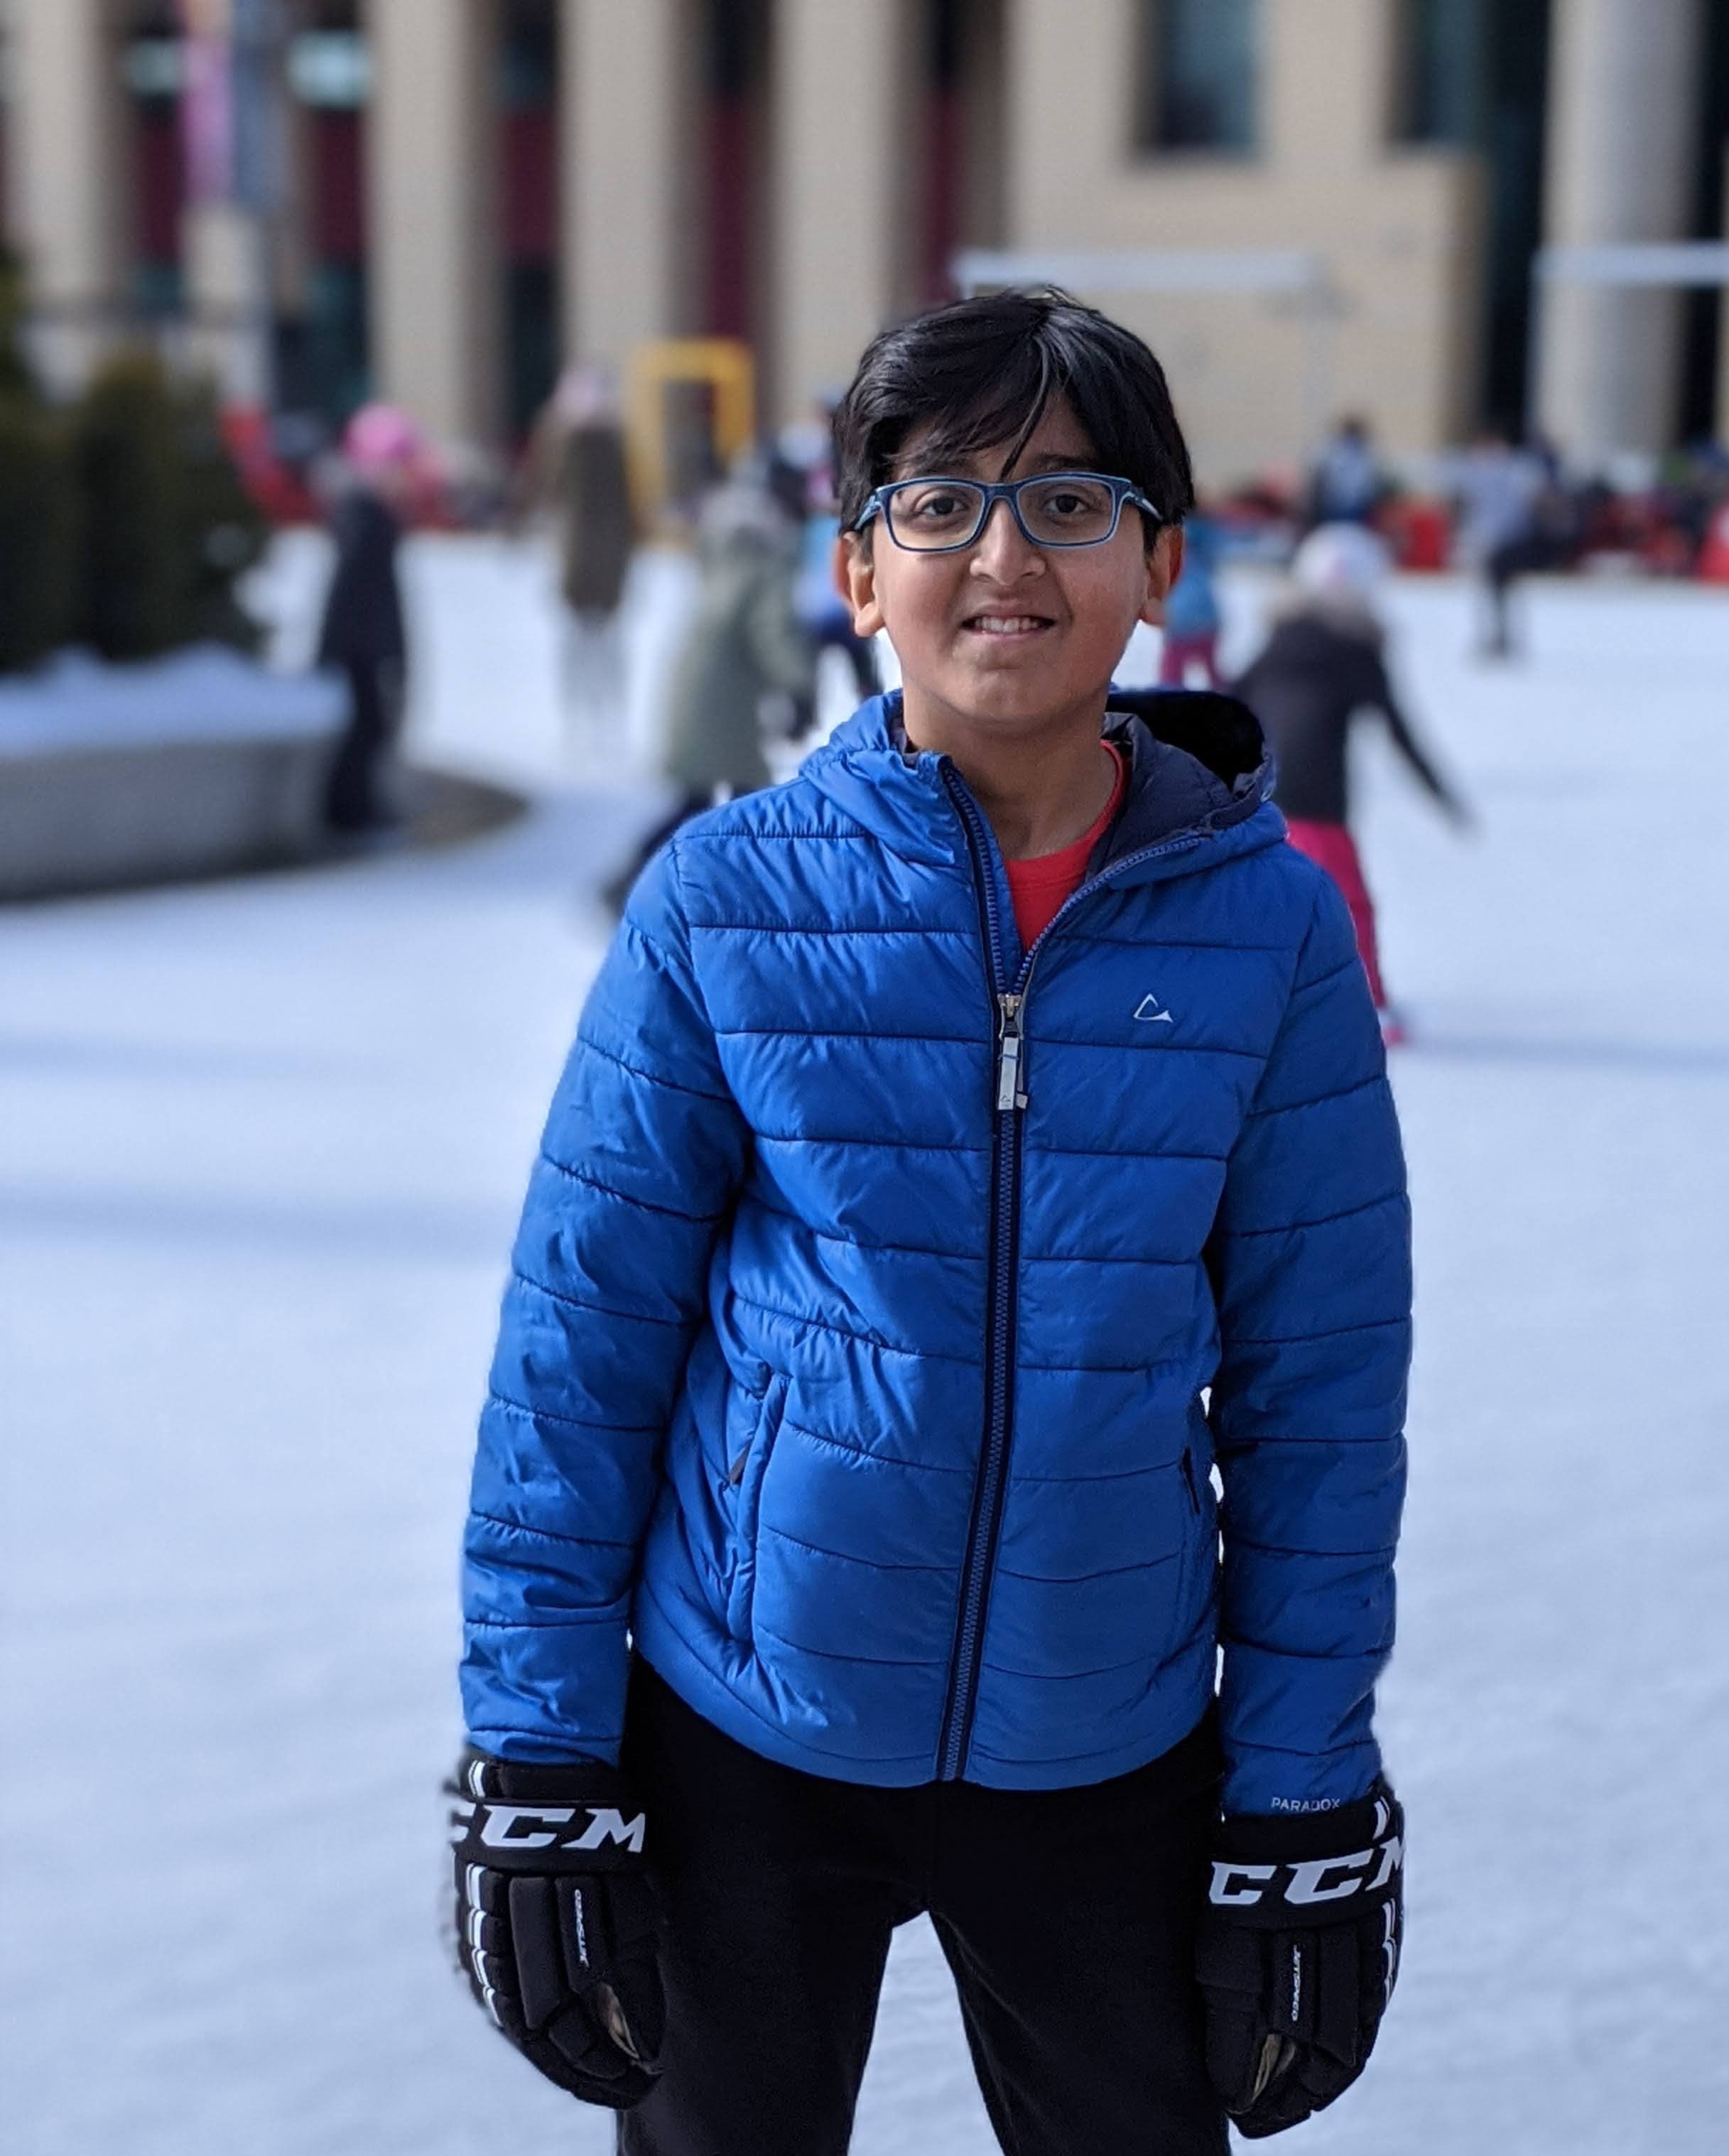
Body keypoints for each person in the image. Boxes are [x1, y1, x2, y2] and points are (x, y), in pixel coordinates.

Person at [447, 288, 1411, 2156]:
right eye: (939, 501)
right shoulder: (726, 898)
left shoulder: (1268, 930)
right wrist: (541, 1754)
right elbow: (582, 1347)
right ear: (858, 574)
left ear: (1158, 567)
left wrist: (1301, 1795)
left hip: (1105, 1737)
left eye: (1068, 502)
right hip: (741, 1723)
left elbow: (1319, 1393)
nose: (1001, 552)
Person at [1233, 523, 1470, 1045]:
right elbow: (1400, 731)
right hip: (1318, 803)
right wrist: (1441, 794)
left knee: (1272, 903)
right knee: (1347, 905)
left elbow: (1233, 698)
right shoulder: (1357, 646)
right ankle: (1368, 1009)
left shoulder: (1283, 636)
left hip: (1263, 798)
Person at [600, 482, 813, 912]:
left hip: (702, 700)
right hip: (722, 712)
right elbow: (770, 633)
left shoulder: (722, 559)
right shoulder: (762, 566)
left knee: (713, 799)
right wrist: (799, 685)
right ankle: (761, 897)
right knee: (744, 801)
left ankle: (732, 891)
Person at [315, 403, 416, 835]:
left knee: (372, 725)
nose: (404, 477)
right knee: (364, 727)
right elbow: (348, 585)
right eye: (397, 466)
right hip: (359, 644)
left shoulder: (369, 511)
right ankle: (350, 814)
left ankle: (359, 808)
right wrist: (331, 647)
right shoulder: (362, 514)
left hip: (367, 640)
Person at [542, 364, 639, 741]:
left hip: (604, 562)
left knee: (603, 645)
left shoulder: (610, 446)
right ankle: (580, 719)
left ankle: (605, 717)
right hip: (582, 562)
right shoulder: (566, 444)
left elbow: (627, 509)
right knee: (582, 645)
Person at [1448, 423, 1548, 659]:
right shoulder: (1479, 470)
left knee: (1500, 591)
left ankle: (1502, 638)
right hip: (1487, 539)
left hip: (1505, 540)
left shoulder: (1513, 470)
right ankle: (1495, 637)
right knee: (1492, 592)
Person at [1157, 505, 1223, 686]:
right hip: (1207, 617)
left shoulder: (1172, 538)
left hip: (1181, 620)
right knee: (1213, 673)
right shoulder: (1209, 537)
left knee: (1172, 674)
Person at [1308, 413, 1385, 527]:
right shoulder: (1332, 449)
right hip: (1333, 507)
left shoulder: (1366, 453)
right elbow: (1320, 478)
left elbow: (1371, 482)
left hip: (1356, 507)